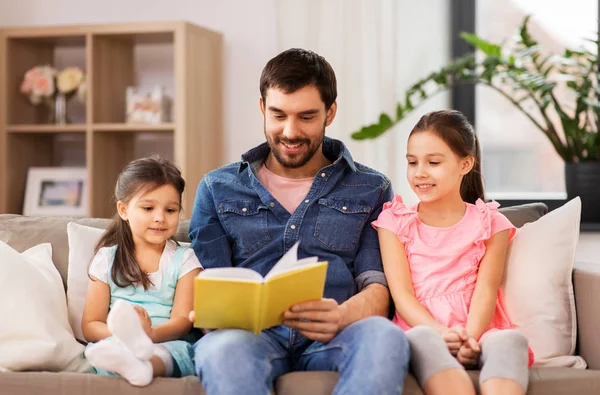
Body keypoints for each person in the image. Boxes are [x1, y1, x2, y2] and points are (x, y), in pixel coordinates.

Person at [189, 48, 410, 394]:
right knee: (223, 350)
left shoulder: (371, 188)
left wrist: (341, 316)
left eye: (306, 117)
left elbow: (377, 288)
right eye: (278, 115)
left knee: (385, 337)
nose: (290, 132)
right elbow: (207, 284)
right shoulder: (217, 188)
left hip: (337, 332)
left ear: (330, 112)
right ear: (262, 107)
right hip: (247, 339)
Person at [373, 110, 533, 395]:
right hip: (420, 328)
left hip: (478, 330)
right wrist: (442, 333)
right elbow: (402, 296)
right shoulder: (394, 222)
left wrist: (469, 339)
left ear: (465, 164)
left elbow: (486, 289)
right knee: (423, 338)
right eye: (412, 162)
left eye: (433, 162)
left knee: (511, 341)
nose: (420, 172)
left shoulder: (490, 222)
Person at [82, 156, 201, 386]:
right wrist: (126, 337)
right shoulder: (107, 259)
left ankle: (143, 366)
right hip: (116, 339)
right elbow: (90, 325)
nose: (160, 217)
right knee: (106, 350)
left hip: (165, 339)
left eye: (170, 209)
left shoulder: (185, 259)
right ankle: (127, 362)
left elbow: (182, 321)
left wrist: (148, 337)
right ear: (124, 210)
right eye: (148, 208)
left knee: (176, 353)